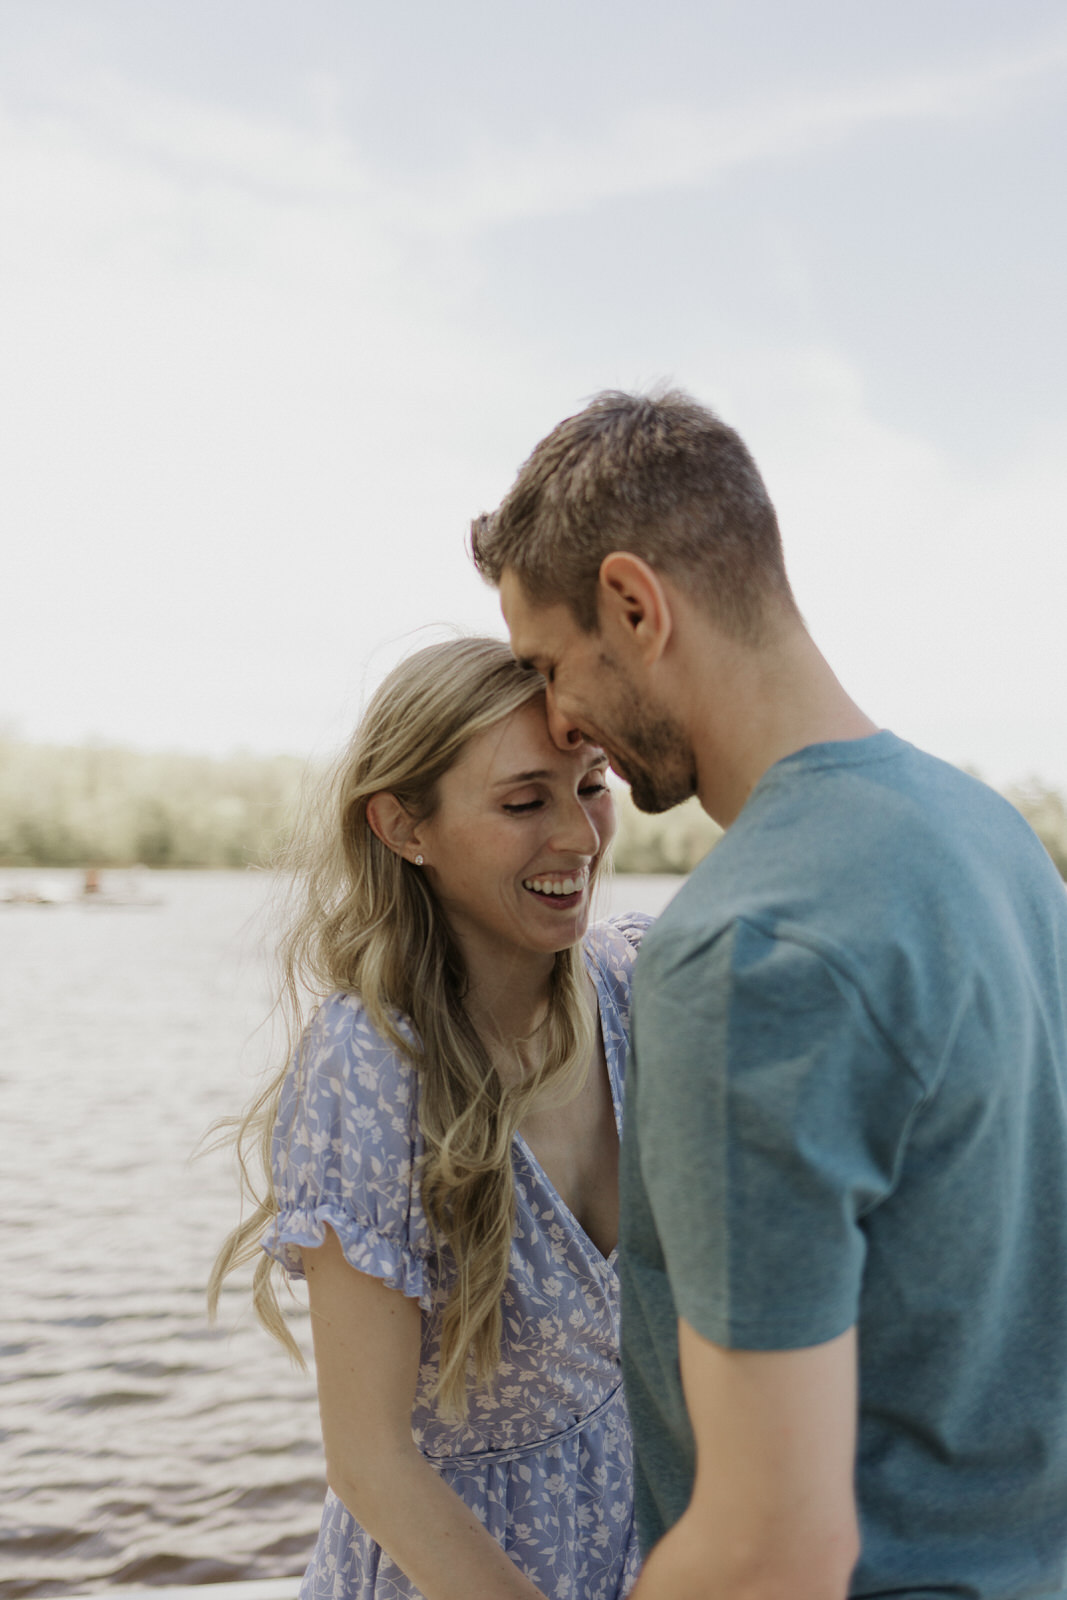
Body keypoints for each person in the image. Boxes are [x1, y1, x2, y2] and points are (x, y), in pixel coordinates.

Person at [470, 390, 1067, 1600]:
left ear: (635, 607)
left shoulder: (743, 950)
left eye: (547, 663)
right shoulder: (993, 839)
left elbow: (769, 1548)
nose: (555, 717)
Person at [209, 636, 649, 1600]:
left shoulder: (633, 985)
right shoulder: (371, 1062)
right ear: (404, 826)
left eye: (590, 786)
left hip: (630, 1546)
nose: (577, 837)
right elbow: (369, 1462)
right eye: (523, 800)